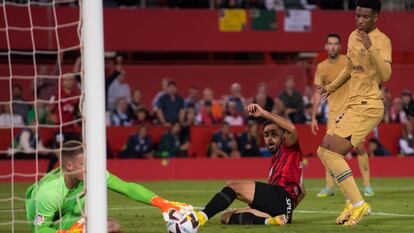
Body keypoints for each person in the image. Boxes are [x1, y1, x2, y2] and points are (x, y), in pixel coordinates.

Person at [317, 0, 391, 226]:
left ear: (376, 17)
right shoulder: (351, 36)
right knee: (323, 151)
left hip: (369, 106)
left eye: (365, 17)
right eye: (357, 15)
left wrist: (371, 47)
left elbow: (386, 75)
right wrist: (332, 87)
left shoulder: (382, 40)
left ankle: (359, 204)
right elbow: (349, 68)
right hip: (353, 104)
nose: (360, 20)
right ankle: (352, 202)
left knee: (332, 154)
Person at [25, 141, 188, 233]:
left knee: (113, 226)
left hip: (70, 221)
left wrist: (162, 203)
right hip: (50, 227)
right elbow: (39, 230)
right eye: (84, 164)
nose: (90, 167)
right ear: (69, 166)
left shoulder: (92, 174)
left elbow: (126, 188)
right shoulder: (50, 191)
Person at [195, 103, 305, 227]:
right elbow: (303, 192)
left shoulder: (289, 147)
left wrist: (264, 113)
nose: (269, 138)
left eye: (274, 134)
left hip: (281, 196)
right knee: (225, 217)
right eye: (266, 135)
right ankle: (270, 221)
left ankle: (198, 218)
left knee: (232, 186)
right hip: (282, 208)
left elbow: (292, 129)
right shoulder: (276, 162)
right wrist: (288, 210)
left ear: (283, 136)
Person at [311, 33, 374, 198]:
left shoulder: (349, 61)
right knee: (328, 150)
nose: (332, 46)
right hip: (333, 115)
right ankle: (329, 186)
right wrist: (313, 116)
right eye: (329, 43)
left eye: (335, 44)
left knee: (359, 147)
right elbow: (318, 93)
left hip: (352, 112)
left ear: (339, 46)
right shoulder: (322, 67)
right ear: (326, 46)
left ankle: (367, 185)